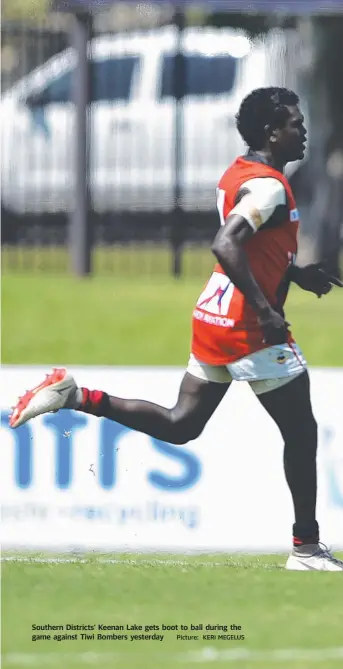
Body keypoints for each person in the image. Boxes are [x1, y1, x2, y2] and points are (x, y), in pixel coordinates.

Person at [10, 87, 343, 571]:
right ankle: (307, 549)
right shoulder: (269, 186)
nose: (303, 129)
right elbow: (226, 244)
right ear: (273, 133)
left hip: (213, 315)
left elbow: (252, 246)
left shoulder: (240, 173)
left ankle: (77, 396)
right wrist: (266, 309)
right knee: (302, 430)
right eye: (295, 122)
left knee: (182, 424)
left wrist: (295, 273)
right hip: (246, 325)